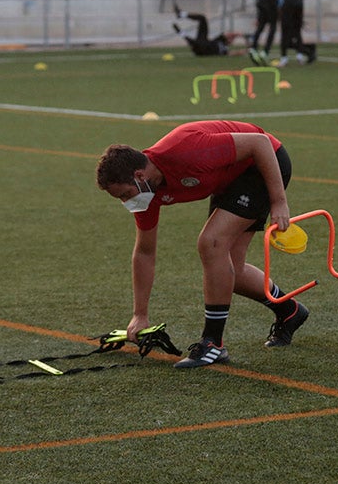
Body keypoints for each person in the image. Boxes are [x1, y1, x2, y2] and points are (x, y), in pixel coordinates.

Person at [95, 120, 310, 369]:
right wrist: (140, 314)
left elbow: (259, 143)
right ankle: (290, 310)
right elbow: (144, 252)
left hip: (263, 162)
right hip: (229, 178)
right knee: (232, 271)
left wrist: (279, 201)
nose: (125, 202)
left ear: (139, 175)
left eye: (124, 195)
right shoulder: (146, 194)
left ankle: (212, 344)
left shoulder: (184, 150)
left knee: (211, 243)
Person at [172, 4, 253, 59]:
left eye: (231, 40)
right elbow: (231, 34)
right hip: (203, 42)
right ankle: (182, 14)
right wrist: (242, 35)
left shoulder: (225, 51)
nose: (231, 40)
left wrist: (248, 50)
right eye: (230, 39)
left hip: (201, 51)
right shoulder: (221, 40)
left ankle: (181, 33)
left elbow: (235, 53)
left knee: (197, 43)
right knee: (202, 18)